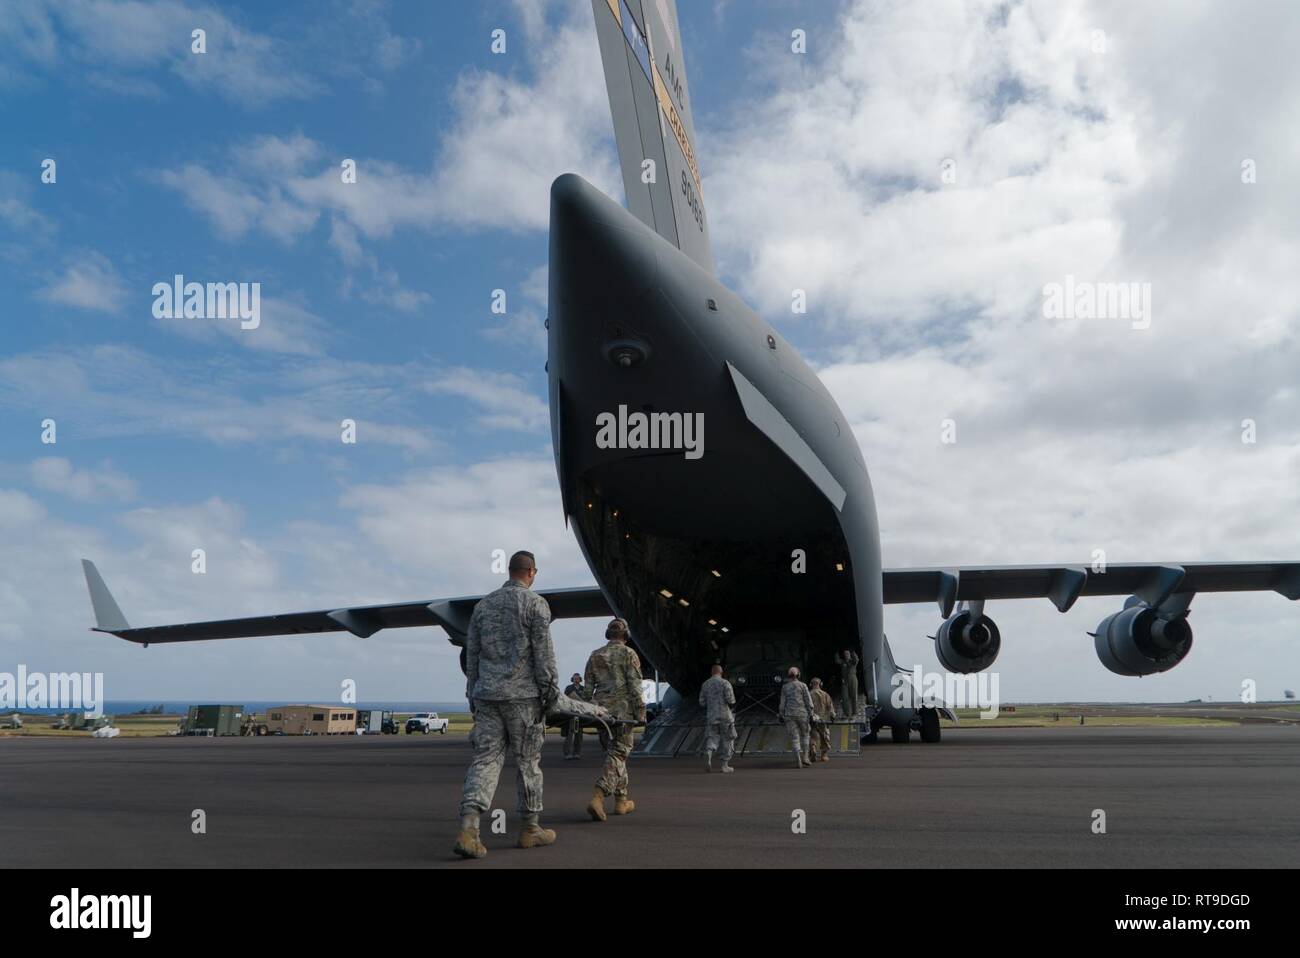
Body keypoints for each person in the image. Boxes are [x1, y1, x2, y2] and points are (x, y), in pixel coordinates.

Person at [453, 550, 562, 859]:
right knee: (528, 762)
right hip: (523, 699)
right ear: (531, 572)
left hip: (486, 695)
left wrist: (472, 693)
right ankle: (530, 829)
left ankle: (469, 828)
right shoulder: (535, 604)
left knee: (485, 760)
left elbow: (471, 655)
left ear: (510, 570)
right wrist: (551, 694)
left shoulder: (482, 607)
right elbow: (544, 658)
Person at [584, 618, 645, 821]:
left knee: (615, 755)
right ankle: (598, 796)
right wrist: (641, 713)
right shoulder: (629, 653)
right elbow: (635, 686)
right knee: (619, 754)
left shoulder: (595, 655)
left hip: (601, 712)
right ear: (626, 635)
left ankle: (621, 801)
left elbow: (586, 690)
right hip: (622, 713)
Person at [698, 664, 736, 773]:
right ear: (721, 672)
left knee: (712, 737)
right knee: (728, 739)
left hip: (711, 716)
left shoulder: (705, 684)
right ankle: (725, 765)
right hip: (725, 716)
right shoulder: (725, 683)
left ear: (711, 672)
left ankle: (709, 754)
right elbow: (731, 700)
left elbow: (702, 702)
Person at [778, 666, 815, 768]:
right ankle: (806, 757)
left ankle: (798, 759)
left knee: (794, 738)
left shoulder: (785, 687)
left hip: (789, 715)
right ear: (798, 675)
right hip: (803, 714)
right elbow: (808, 701)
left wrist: (781, 714)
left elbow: (782, 703)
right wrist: (811, 713)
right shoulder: (803, 686)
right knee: (805, 735)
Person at [562, 672, 590, 760]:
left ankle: (577, 753)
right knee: (570, 734)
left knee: (579, 734)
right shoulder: (569, 688)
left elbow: (587, 698)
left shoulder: (583, 688)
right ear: (572, 679)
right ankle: (567, 753)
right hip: (571, 713)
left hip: (581, 714)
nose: (576, 679)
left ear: (580, 679)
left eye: (578, 678)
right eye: (575, 678)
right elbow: (567, 698)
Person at [808, 677, 835, 762]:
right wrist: (832, 716)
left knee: (813, 735)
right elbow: (830, 707)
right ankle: (824, 755)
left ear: (811, 685)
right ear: (820, 684)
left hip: (812, 719)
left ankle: (813, 748)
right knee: (825, 737)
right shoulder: (825, 694)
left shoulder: (808, 694)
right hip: (823, 719)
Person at [839, 649, 861, 719]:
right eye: (845, 654)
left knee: (854, 696)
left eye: (848, 653)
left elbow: (857, 659)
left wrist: (853, 652)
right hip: (845, 681)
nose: (846, 655)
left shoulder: (853, 661)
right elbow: (837, 660)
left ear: (850, 654)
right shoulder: (843, 662)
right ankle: (846, 714)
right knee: (844, 697)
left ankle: (854, 713)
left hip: (853, 679)